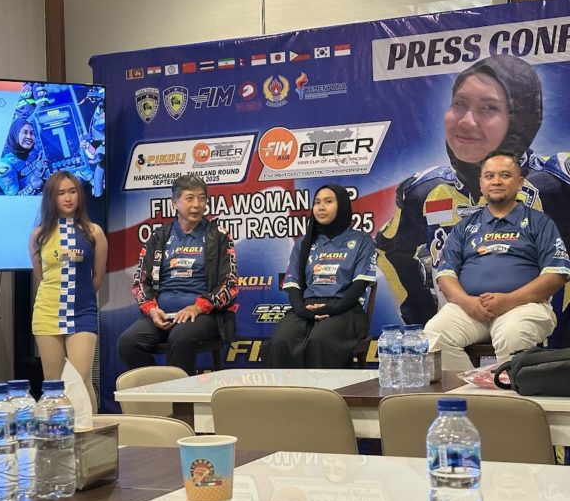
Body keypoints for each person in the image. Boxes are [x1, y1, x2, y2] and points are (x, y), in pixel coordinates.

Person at [376, 54, 570, 330]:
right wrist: (420, 310)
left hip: (538, 331)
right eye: (459, 104)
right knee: (439, 336)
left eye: (488, 107)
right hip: (463, 321)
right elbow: (390, 250)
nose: (466, 121)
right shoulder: (424, 190)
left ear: (520, 121)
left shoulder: (556, 182)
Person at [425, 151, 570, 370]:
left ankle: (510, 391)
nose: (496, 181)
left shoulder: (540, 223)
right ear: (481, 183)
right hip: (470, 308)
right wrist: (467, 302)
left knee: (513, 335)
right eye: (489, 176)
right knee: (434, 335)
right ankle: (469, 388)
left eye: (505, 175)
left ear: (519, 182)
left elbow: (556, 274)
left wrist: (509, 300)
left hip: (525, 306)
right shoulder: (464, 227)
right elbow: (446, 275)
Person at [117, 174, 239, 375]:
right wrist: (152, 310)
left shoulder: (218, 236)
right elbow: (140, 282)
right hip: (163, 314)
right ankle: (157, 387)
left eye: (202, 198)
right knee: (128, 342)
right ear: (175, 203)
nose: (197, 205)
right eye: (190, 198)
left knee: (180, 336)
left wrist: (198, 307)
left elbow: (230, 284)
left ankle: (177, 395)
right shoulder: (159, 237)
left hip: (204, 315)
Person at [266, 184, 377, 368]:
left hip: (344, 308)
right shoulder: (304, 242)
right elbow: (293, 283)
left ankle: (327, 388)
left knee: (320, 340)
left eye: (328, 201)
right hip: (307, 307)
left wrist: (332, 309)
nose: (321, 207)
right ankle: (290, 388)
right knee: (281, 340)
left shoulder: (362, 240)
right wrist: (302, 310)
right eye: (317, 202)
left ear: (342, 205)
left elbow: (360, 285)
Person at [29, 171, 108, 412]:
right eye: (61, 193)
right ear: (51, 198)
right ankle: (59, 431)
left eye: (72, 192)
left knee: (80, 380)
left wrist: (78, 296)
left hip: (82, 312)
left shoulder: (94, 232)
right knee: (54, 385)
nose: (68, 198)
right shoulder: (38, 235)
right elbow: (41, 277)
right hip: (47, 313)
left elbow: (97, 277)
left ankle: (92, 431)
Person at [0, 117, 48, 195]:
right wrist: (32, 186)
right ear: (15, 134)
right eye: (25, 132)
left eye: (31, 133)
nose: (29, 137)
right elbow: (13, 198)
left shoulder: (33, 148)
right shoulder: (5, 165)